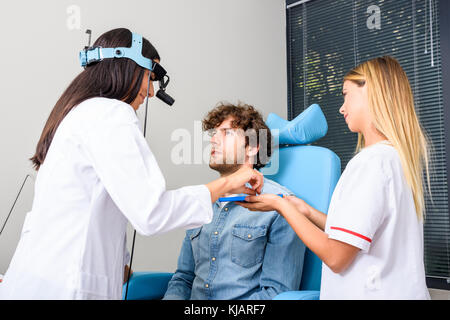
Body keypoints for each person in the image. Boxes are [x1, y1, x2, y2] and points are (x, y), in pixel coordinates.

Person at [0, 28, 263, 300]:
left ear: (253, 146)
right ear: (128, 67)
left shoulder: (78, 114)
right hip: (65, 286)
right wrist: (228, 182)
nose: (150, 92)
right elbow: (152, 213)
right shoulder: (111, 113)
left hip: (35, 280)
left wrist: (117, 264)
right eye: (150, 78)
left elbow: (94, 206)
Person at [238, 56, 431, 300]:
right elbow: (358, 233)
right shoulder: (395, 159)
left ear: (372, 93)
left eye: (346, 94)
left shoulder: (370, 163)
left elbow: (336, 257)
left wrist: (281, 205)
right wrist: (306, 211)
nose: (342, 107)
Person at [163, 102, 306, 300]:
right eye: (214, 133)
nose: (214, 140)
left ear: (253, 147)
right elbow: (183, 279)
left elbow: (276, 293)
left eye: (227, 133)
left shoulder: (278, 207)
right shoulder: (203, 200)